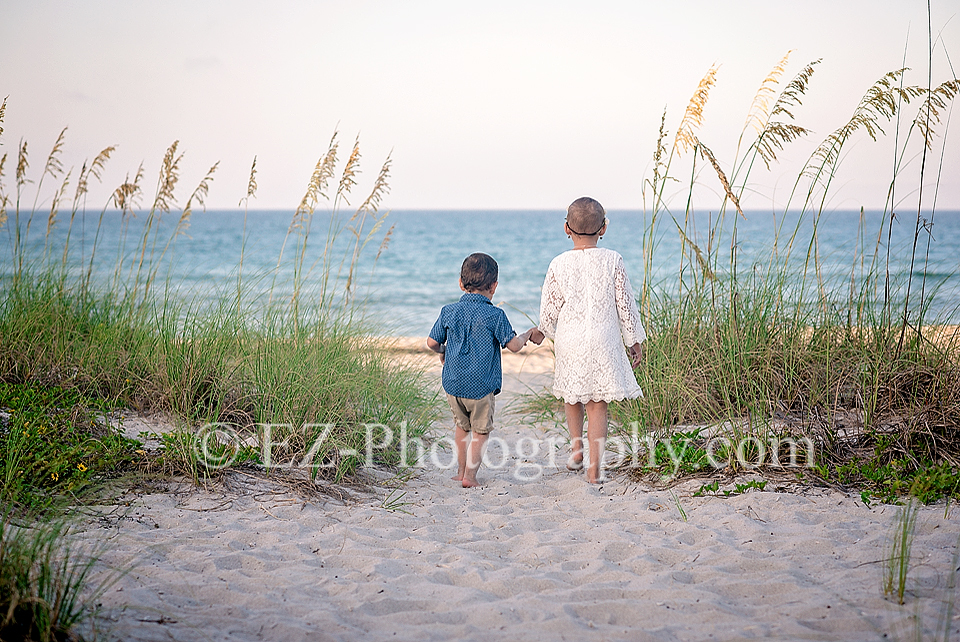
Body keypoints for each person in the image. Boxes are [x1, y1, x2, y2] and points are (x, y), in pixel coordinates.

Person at [538, 197, 645, 484]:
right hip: (604, 336)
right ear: (603, 229)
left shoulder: (558, 263)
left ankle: (576, 447)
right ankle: (594, 469)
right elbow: (625, 303)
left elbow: (550, 305)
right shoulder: (613, 259)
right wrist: (634, 339)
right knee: (597, 402)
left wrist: (542, 330)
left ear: (566, 229)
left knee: (572, 393)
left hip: (570, 338)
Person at [427, 253, 541, 488]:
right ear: (494, 286)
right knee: (480, 432)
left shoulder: (449, 311)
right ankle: (470, 476)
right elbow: (514, 346)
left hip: (453, 384)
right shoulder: (495, 315)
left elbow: (431, 342)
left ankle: (459, 472)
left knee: (461, 427)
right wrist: (528, 334)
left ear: (461, 283)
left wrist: (443, 351)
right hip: (480, 387)